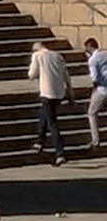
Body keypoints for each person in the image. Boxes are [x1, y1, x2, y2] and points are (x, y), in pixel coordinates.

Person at [29, 37, 73, 165]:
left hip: (47, 92)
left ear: (36, 49)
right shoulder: (57, 55)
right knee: (44, 114)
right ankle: (39, 141)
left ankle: (60, 153)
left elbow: (32, 74)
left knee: (52, 122)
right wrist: (71, 94)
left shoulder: (37, 56)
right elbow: (67, 76)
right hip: (59, 93)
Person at [86, 37, 107, 151]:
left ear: (89, 47)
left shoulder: (93, 60)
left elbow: (95, 78)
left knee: (92, 113)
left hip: (101, 89)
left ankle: (95, 140)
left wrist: (94, 89)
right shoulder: (105, 54)